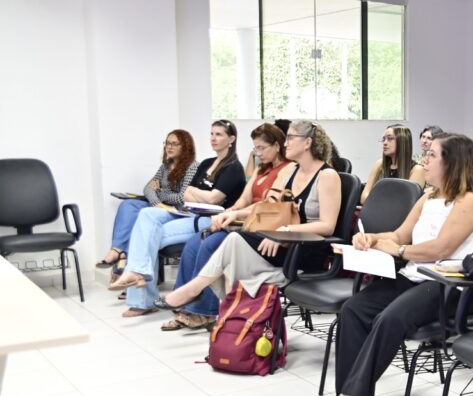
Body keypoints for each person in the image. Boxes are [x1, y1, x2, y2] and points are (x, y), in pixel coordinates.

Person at [305, 133, 473, 396]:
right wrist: (372, 239)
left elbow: (441, 249)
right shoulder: (429, 196)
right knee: (353, 309)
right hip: (417, 276)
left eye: (432, 155)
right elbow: (400, 235)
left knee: (389, 318)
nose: (425, 160)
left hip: (451, 286)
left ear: (452, 162)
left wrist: (400, 251)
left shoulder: (472, 201)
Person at [159, 120, 341, 312]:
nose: (286, 143)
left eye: (290, 138)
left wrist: (285, 231)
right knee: (234, 242)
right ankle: (217, 305)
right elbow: (267, 207)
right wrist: (236, 213)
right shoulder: (291, 172)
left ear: (307, 142)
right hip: (280, 242)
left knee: (234, 243)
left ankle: (197, 291)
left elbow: (327, 226)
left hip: (305, 248)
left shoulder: (327, 176)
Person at [161, 123, 292, 331]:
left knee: (209, 245)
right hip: (243, 221)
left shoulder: (287, 169)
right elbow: (244, 199)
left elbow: (268, 206)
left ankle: (204, 312)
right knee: (195, 243)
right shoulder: (261, 169)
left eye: (261, 148)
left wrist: (234, 214)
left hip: (257, 226)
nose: (257, 153)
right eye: (255, 149)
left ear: (276, 146)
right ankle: (184, 307)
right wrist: (228, 212)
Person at [109, 120, 246, 316]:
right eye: (212, 134)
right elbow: (187, 195)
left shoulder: (233, 168)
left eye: (219, 134)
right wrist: (197, 193)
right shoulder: (207, 163)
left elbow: (215, 200)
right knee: (146, 215)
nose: (213, 138)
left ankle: (142, 299)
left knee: (146, 238)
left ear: (231, 139)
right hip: (190, 214)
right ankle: (138, 275)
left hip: (211, 221)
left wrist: (194, 192)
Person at [98, 130, 197, 268]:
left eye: (175, 144)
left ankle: (125, 255)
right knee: (128, 205)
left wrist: (160, 192)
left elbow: (182, 197)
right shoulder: (165, 166)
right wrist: (156, 202)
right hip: (160, 206)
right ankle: (117, 249)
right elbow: (148, 188)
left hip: (176, 210)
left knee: (143, 215)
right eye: (167, 143)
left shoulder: (192, 167)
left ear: (185, 147)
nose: (169, 147)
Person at [361, 125, 425, 203]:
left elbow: (404, 204)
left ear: (402, 141)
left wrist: (375, 200)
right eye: (383, 139)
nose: (385, 143)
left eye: (390, 138)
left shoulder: (417, 170)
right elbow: (364, 198)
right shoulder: (379, 164)